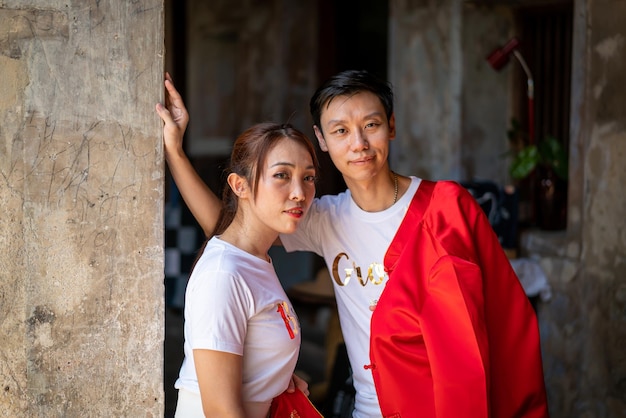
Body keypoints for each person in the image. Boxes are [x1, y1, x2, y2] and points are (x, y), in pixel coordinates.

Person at [160, 70, 549, 417]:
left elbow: (503, 320)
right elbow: (236, 228)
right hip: (368, 408)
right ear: (322, 140)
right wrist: (175, 153)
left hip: (439, 405)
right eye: (340, 130)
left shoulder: (447, 208)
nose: (359, 143)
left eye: (372, 124)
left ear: (392, 126)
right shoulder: (325, 218)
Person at [156, 79, 321, 417]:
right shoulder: (224, 274)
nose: (299, 193)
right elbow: (221, 411)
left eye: (308, 177)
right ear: (240, 185)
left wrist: (276, 377)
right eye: (281, 175)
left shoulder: (254, 259)